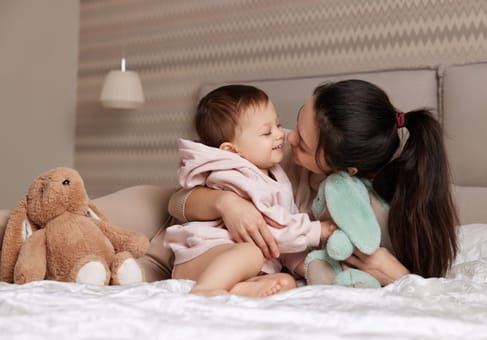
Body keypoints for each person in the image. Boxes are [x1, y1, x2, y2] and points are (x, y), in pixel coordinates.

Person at [169, 79, 458, 286]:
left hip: (241, 263)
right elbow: (176, 202)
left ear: (347, 169)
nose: (287, 137)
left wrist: (399, 277)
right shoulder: (268, 152)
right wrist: (226, 204)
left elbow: (423, 284)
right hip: (191, 239)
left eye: (304, 144)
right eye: (295, 121)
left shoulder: (388, 205)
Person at [165, 84, 335, 297]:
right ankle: (205, 290)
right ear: (232, 150)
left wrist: (307, 267)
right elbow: (275, 228)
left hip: (237, 264)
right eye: (267, 132)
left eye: (278, 124)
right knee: (250, 253)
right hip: (204, 256)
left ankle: (239, 289)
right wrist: (320, 230)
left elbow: (281, 240)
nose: (281, 135)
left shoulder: (275, 172)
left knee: (285, 282)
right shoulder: (234, 173)